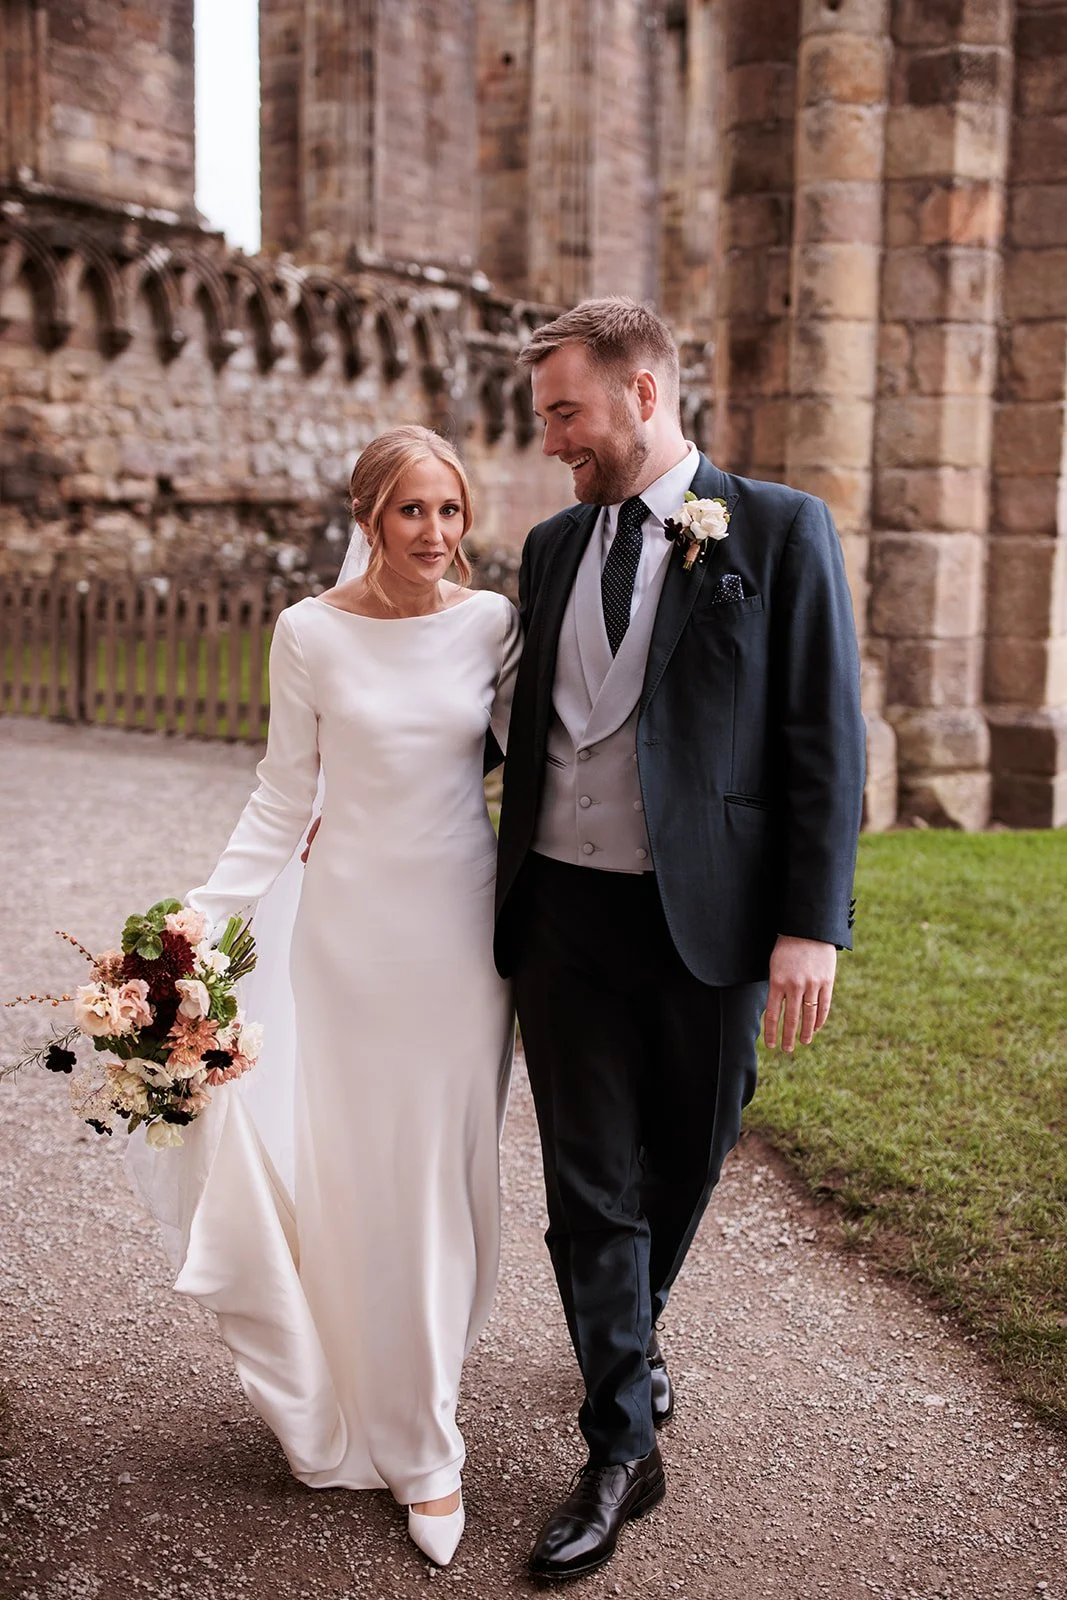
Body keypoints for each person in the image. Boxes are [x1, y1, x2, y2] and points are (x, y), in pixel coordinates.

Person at [493, 298, 866, 1579]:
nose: (551, 440)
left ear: (640, 395)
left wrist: (811, 922)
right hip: (559, 911)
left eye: (565, 412)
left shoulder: (775, 528)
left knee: (688, 1153)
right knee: (583, 1180)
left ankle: (625, 1340)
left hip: (704, 918)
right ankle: (617, 1447)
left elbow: (823, 737)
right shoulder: (549, 547)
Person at [131, 425, 520, 1568]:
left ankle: (424, 1421)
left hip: (461, 939)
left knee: (443, 1180)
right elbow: (279, 793)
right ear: (368, 516)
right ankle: (393, 1423)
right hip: (348, 939)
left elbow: (547, 759)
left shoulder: (491, 624)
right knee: (360, 1179)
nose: (434, 536)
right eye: (411, 512)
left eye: (449, 512)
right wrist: (193, 927)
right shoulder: (306, 633)